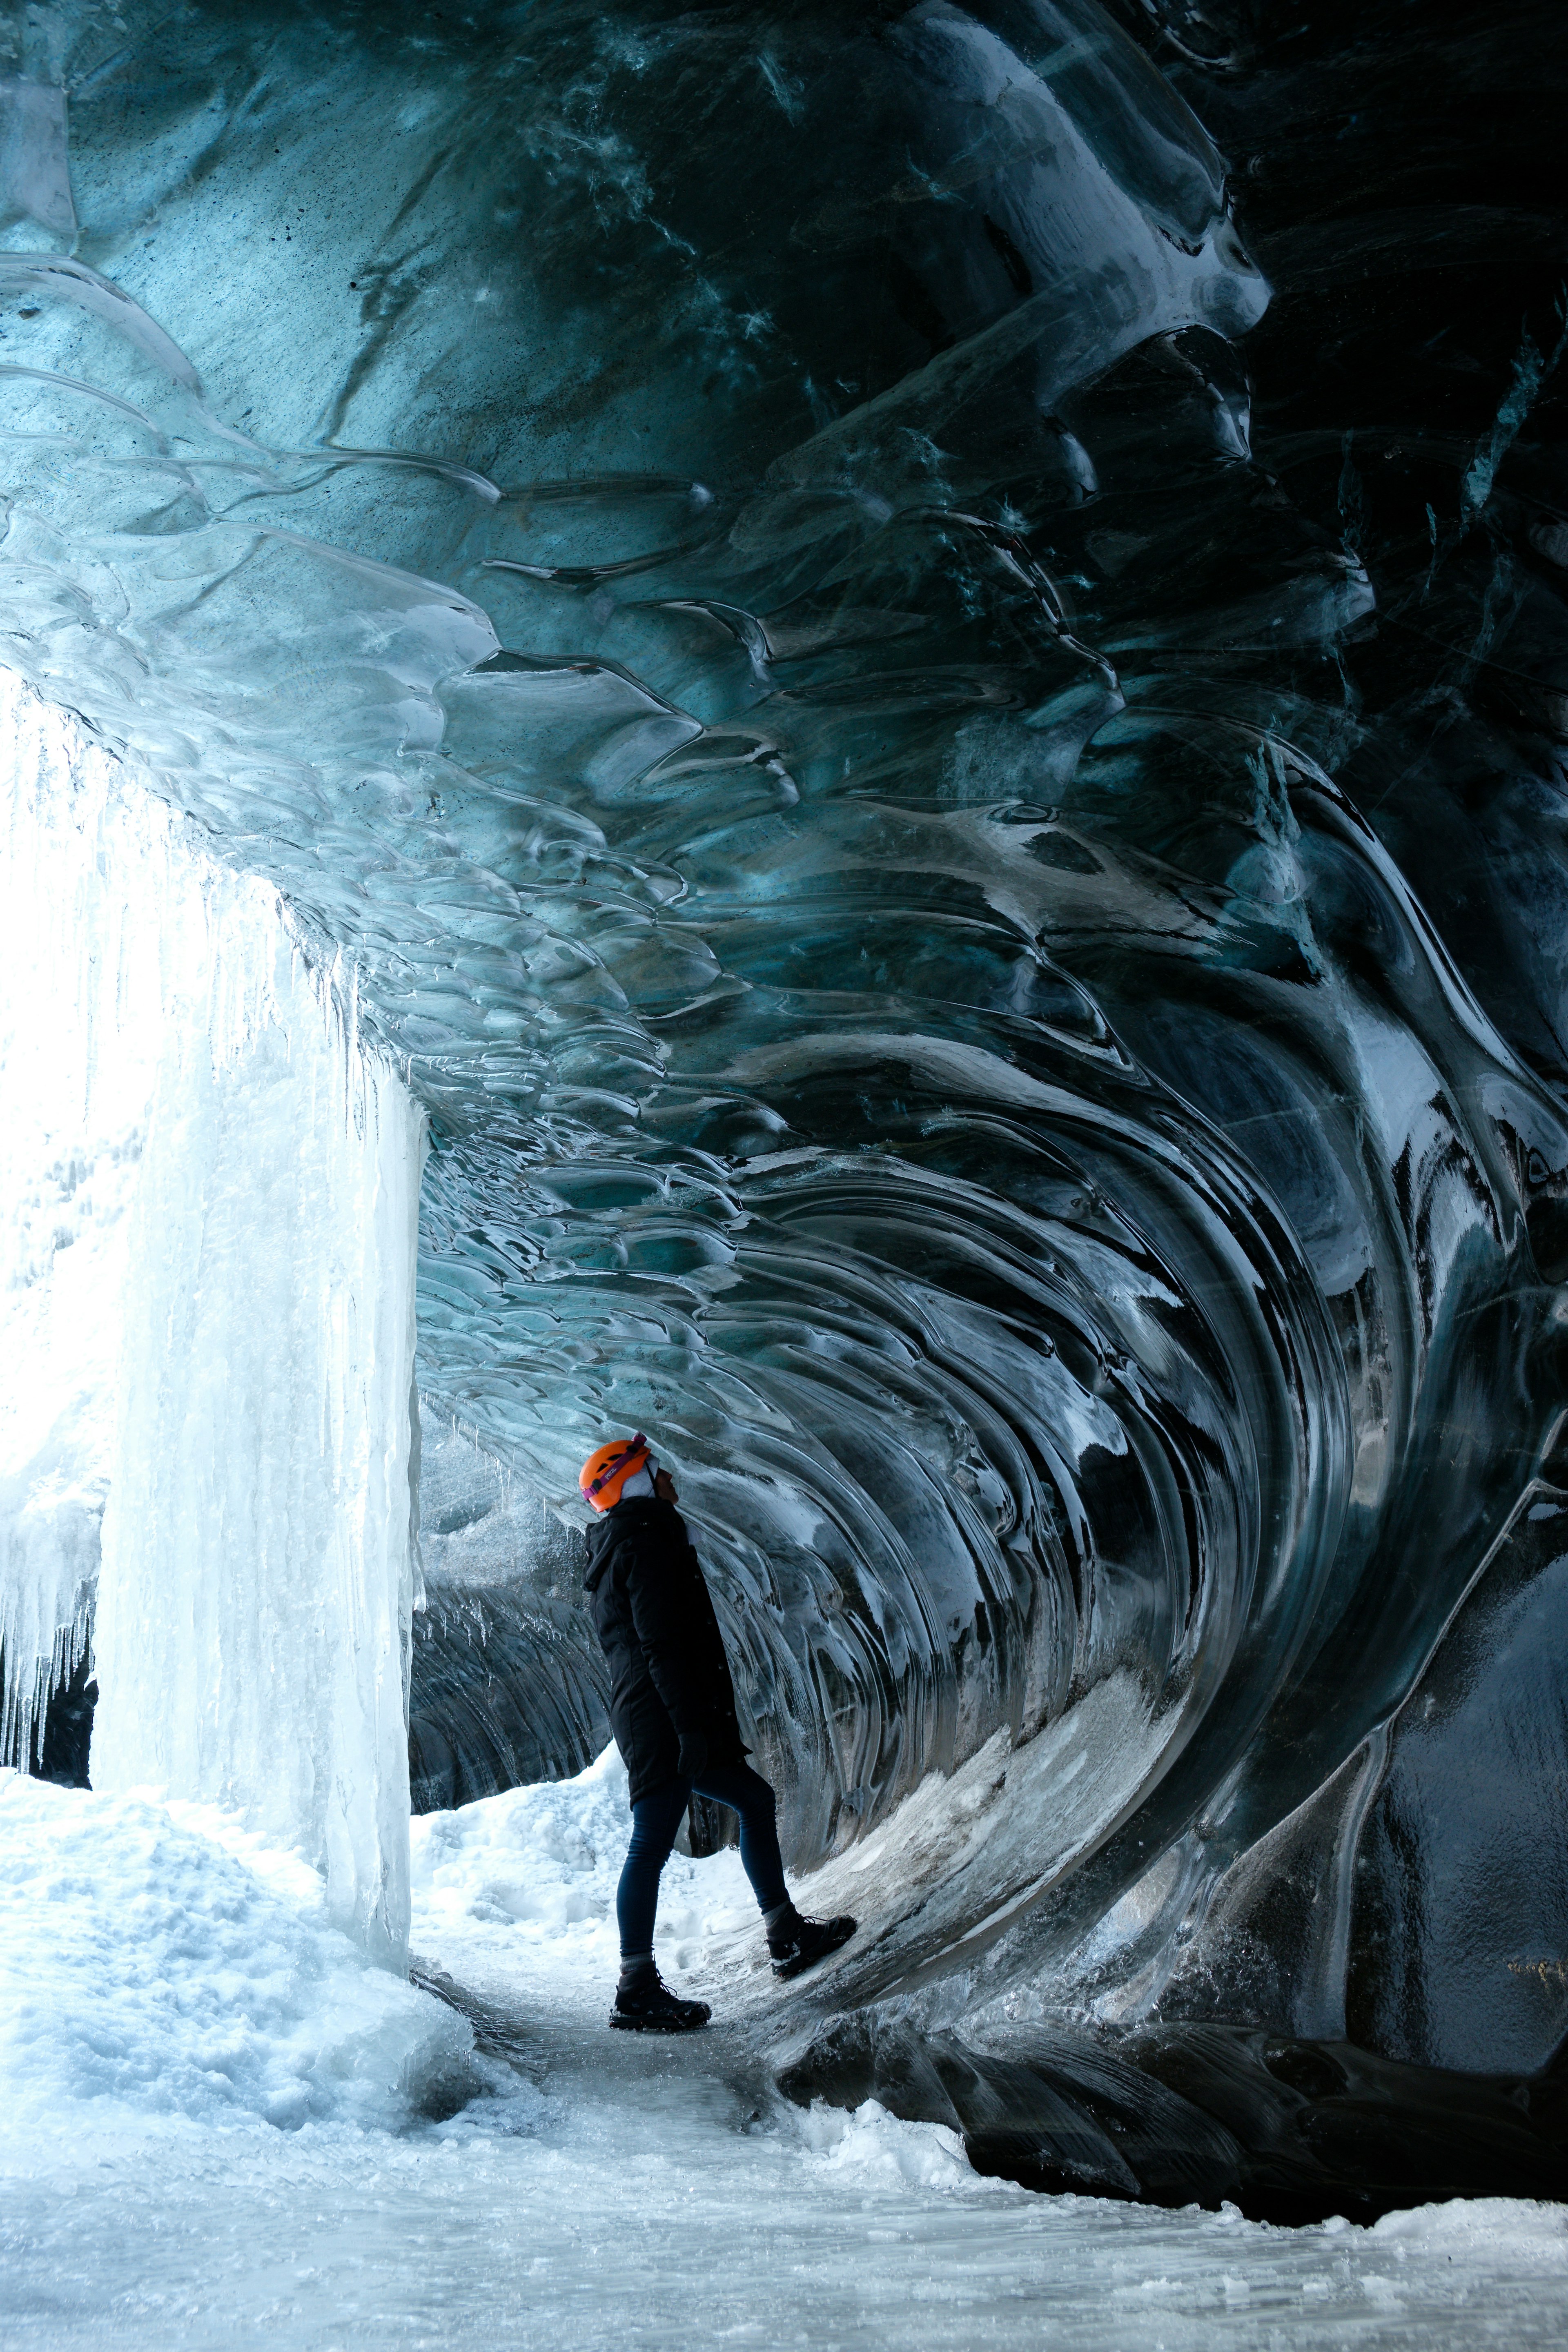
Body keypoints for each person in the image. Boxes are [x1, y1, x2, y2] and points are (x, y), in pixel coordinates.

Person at [581, 1434, 856, 2031]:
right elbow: (658, 1644)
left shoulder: (635, 1539)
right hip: (662, 1718)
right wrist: (687, 1729)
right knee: (650, 1842)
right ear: (636, 1482)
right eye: (661, 1471)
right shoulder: (643, 1542)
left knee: (754, 1800)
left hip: (667, 1711)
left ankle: (786, 1934)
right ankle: (635, 1988)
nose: (673, 1480)